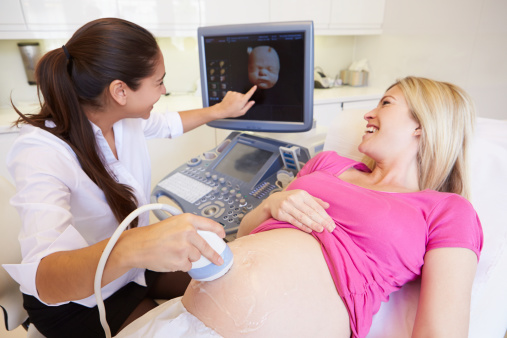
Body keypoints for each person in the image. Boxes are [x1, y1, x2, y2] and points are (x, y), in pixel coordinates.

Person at [3, 18, 256, 337]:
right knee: (189, 326)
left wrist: (220, 110)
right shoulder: (40, 150)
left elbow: (168, 124)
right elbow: (47, 279)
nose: (164, 91)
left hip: (136, 268)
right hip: (82, 300)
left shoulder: (124, 118)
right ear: (120, 91)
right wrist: (133, 244)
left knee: (230, 282)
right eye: (159, 82)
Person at [181, 76, 483, 338]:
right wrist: (272, 204)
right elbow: (244, 235)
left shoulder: (447, 210)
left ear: (421, 123)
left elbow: (441, 332)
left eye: (386, 104)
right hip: (188, 318)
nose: (369, 114)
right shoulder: (327, 163)